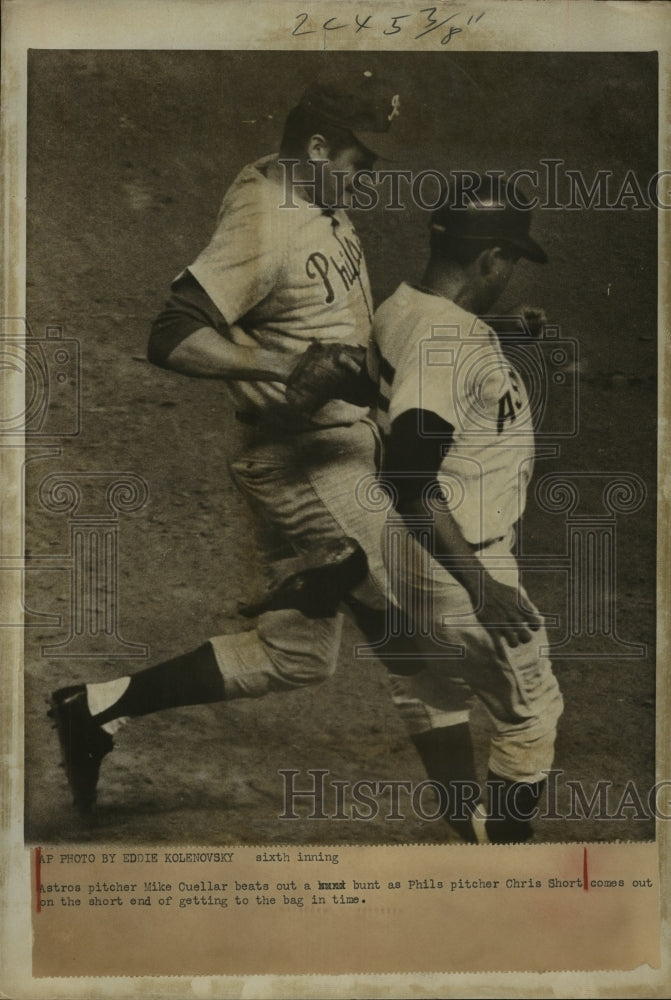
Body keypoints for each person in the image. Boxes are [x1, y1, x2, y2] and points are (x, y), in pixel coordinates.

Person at [48, 70, 402, 817]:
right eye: (360, 162)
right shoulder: (265, 220)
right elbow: (171, 333)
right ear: (315, 146)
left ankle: (98, 706)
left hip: (326, 450)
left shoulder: (300, 187)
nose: (370, 177)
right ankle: (330, 569)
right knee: (410, 579)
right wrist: (283, 363)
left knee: (295, 657)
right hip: (303, 465)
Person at [358, 175, 564, 842]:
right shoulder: (449, 345)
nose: (507, 272)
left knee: (437, 684)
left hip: (398, 555)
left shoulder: (400, 306)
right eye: (508, 259)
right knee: (530, 717)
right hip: (460, 561)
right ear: (488, 260)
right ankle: (501, 863)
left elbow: (416, 362)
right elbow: (408, 477)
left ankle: (466, 829)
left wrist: (495, 328)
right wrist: (483, 590)